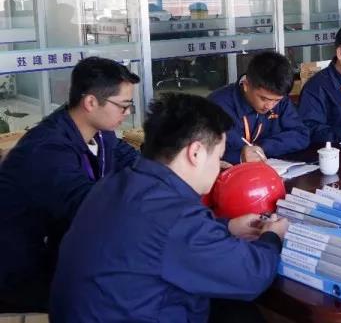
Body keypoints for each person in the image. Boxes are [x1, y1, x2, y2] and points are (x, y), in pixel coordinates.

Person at [50, 93, 288, 322]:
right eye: (218, 157)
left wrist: (226, 227)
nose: (219, 167)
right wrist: (272, 237)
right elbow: (252, 276)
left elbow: (158, 238)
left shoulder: (117, 183)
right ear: (195, 153)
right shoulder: (175, 215)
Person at [0, 57, 141, 312]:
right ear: (91, 102)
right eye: (123, 106)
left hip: (65, 251)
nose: (128, 113)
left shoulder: (100, 133)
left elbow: (132, 160)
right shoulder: (47, 149)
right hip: (26, 272)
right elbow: (89, 206)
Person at [208, 50, 309, 164]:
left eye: (276, 100)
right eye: (263, 99)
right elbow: (204, 151)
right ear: (246, 85)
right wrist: (239, 156)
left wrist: (262, 148)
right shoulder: (217, 106)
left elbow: (301, 135)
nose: (269, 106)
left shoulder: (281, 99)